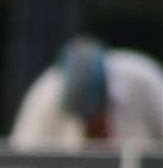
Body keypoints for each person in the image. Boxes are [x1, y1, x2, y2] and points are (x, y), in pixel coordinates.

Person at [10, 36, 163, 150]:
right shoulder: (45, 95)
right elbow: (21, 158)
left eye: (94, 116)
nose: (90, 125)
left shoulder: (142, 79)